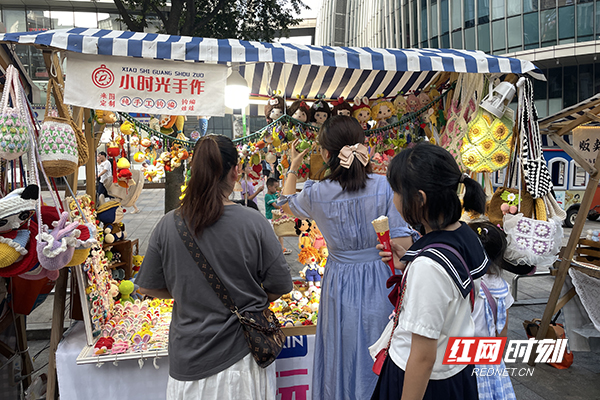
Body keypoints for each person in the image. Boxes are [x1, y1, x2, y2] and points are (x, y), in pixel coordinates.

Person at [136, 134, 293, 400]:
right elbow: (280, 285)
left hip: (188, 361)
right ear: (235, 172)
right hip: (243, 361)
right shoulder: (253, 223)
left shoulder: (168, 224)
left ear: (193, 171)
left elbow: (148, 286)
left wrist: (188, 292)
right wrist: (249, 301)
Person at [278, 115, 415, 400]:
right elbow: (402, 243)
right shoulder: (386, 186)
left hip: (339, 280)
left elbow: (285, 204)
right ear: (363, 147)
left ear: (327, 154)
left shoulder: (316, 193)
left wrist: (292, 166)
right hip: (381, 278)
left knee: (341, 351)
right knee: (380, 348)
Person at [371, 142, 489, 400]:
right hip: (454, 370)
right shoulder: (463, 233)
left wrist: (420, 264)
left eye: (396, 192)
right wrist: (409, 262)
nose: (394, 199)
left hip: (424, 381)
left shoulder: (428, 266)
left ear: (420, 199)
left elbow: (423, 357)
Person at [468, 221, 516, 400]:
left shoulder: (466, 287)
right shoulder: (503, 287)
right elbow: (502, 335)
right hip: (490, 361)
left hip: (463, 361)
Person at [264, 177, 292, 255]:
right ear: (269, 187)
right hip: (270, 218)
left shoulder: (275, 194)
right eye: (275, 187)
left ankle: (282, 248)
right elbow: (276, 205)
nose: (276, 189)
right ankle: (271, 249)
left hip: (276, 217)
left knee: (280, 233)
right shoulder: (268, 196)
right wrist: (285, 207)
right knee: (272, 235)